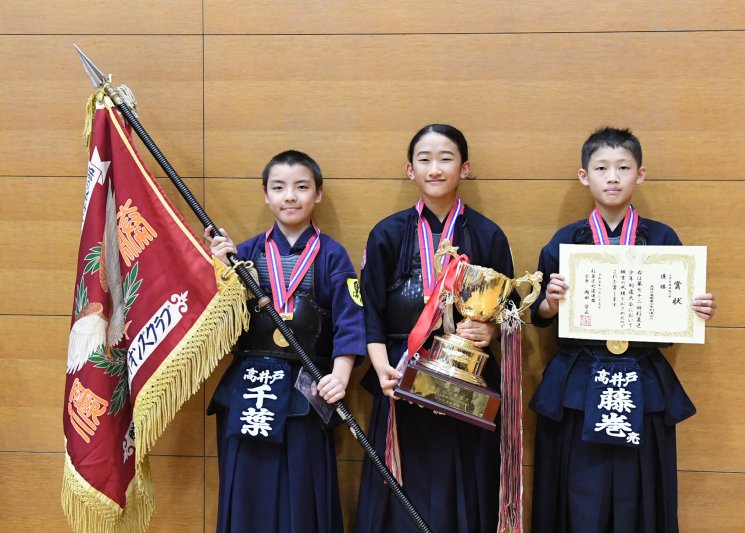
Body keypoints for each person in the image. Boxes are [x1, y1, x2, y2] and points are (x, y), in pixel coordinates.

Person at [529, 127, 716, 532]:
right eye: (601, 167)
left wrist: (695, 308)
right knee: (578, 490)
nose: (612, 177)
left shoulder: (663, 239)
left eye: (623, 167)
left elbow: (674, 316)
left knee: (639, 491)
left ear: (640, 174)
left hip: (642, 375)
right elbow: (538, 315)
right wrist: (551, 301)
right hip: (578, 378)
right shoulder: (565, 242)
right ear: (585, 177)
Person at [355, 124, 515, 532]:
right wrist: (381, 369)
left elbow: (508, 312)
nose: (436, 168)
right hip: (400, 376)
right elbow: (370, 312)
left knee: (464, 482)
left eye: (446, 158)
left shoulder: (488, 233)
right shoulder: (387, 234)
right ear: (410, 170)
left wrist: (492, 334)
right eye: (425, 159)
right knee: (402, 493)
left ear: (466, 167)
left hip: (467, 383)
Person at [204, 150, 366, 533]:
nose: (289, 196)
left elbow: (350, 321)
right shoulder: (243, 254)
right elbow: (214, 320)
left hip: (305, 390)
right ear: (265, 194)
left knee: (302, 490)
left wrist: (340, 375)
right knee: (247, 489)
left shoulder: (332, 256)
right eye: (279, 187)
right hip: (246, 389)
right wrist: (220, 270)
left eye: (301, 187)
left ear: (318, 194)